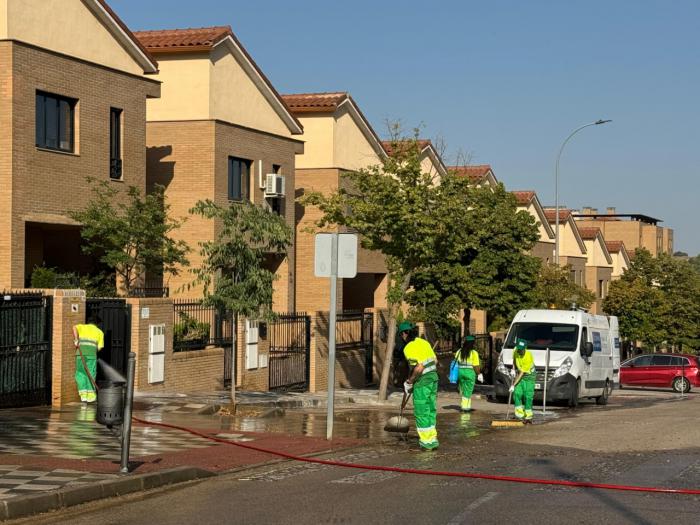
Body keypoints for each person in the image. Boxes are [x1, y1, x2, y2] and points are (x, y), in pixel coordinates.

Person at [399, 321, 439, 450]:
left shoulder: (408, 348)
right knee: (430, 409)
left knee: (421, 411)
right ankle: (432, 439)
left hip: (422, 382)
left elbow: (419, 367)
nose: (401, 337)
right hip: (434, 378)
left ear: (405, 333)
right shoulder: (424, 342)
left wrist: (410, 382)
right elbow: (435, 361)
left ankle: (426, 442)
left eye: (401, 334)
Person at [72, 313, 104, 403]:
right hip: (91, 356)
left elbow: (74, 327)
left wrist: (76, 340)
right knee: (91, 374)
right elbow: (100, 347)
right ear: (97, 323)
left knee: (80, 373)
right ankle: (91, 396)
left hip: (80, 355)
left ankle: (83, 396)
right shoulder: (99, 332)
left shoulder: (82, 327)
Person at [455, 335, 484, 412]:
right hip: (470, 373)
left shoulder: (459, 352)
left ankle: (466, 406)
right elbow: (476, 366)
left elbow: (457, 362)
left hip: (461, 372)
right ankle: (465, 407)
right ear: (472, 343)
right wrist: (479, 374)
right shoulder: (474, 353)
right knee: (468, 391)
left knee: (464, 389)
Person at [509, 339, 535, 423]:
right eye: (518, 349)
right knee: (517, 393)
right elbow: (514, 359)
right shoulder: (516, 350)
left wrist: (513, 385)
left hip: (529, 376)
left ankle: (528, 417)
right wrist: (513, 368)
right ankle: (519, 415)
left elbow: (521, 374)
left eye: (521, 349)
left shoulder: (528, 356)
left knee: (527, 396)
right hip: (520, 374)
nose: (519, 350)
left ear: (525, 348)